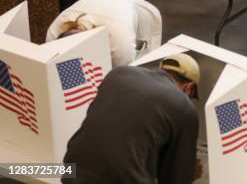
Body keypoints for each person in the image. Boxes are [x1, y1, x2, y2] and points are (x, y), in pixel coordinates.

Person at [62, 54, 201, 184]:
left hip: (71, 170)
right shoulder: (184, 106)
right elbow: (175, 179)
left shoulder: (118, 73)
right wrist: (190, 173)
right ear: (189, 88)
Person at [46, 0, 162, 67]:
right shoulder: (52, 37)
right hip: (98, 4)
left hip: (127, 10)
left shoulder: (120, 45)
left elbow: (121, 77)